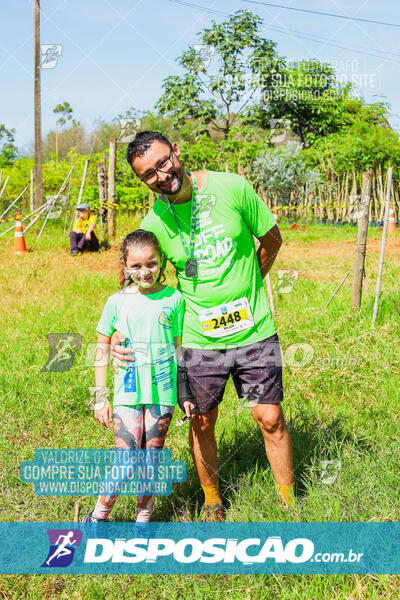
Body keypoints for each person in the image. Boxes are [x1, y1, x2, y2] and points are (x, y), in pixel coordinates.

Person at [111, 130, 295, 522]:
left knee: (270, 417)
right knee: (201, 420)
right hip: (198, 338)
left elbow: (272, 239)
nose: (161, 175)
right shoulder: (154, 221)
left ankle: (290, 502)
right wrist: (116, 334)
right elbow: (134, 279)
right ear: (143, 181)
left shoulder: (233, 188)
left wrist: (250, 284)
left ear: (176, 152)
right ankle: (212, 499)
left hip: (255, 330)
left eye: (163, 162)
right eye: (149, 174)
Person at [81, 229, 196, 523]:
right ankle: (98, 517)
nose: (145, 272)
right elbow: (102, 350)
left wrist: (185, 393)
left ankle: (142, 521)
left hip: (164, 394)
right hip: (128, 393)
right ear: (125, 266)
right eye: (136, 266)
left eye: (152, 264)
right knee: (127, 461)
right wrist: (99, 397)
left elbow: (180, 350)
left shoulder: (175, 299)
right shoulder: (116, 302)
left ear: (162, 263)